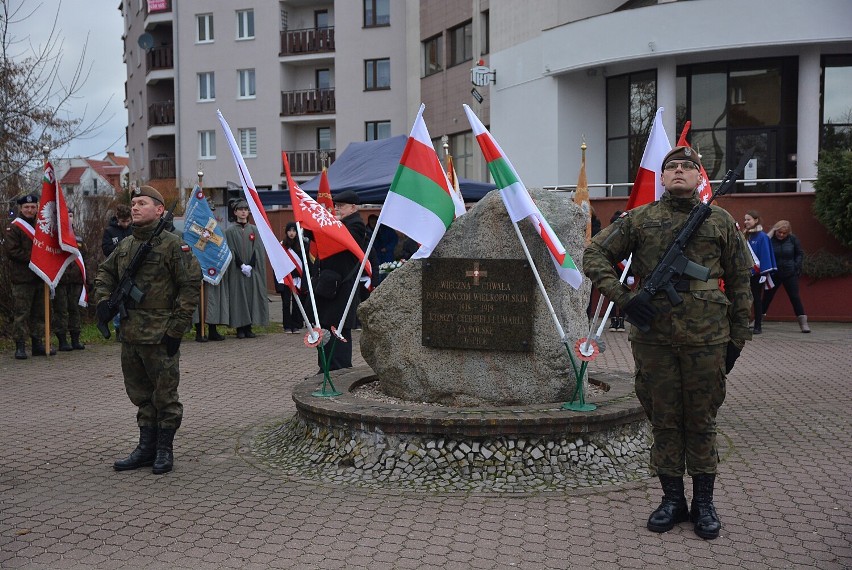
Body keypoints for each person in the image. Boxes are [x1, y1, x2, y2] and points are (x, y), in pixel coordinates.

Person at [583, 147, 753, 540]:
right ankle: (672, 500)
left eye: (687, 167)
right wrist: (624, 300)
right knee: (663, 418)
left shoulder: (722, 221)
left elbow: (741, 281)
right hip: (654, 338)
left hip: (707, 337)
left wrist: (739, 337)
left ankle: (704, 503)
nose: (679, 172)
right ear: (662, 178)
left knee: (701, 418)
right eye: (672, 167)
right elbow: (594, 254)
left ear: (698, 177)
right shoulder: (639, 220)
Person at [95, 186, 201, 475]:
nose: (135, 207)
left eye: (142, 203)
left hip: (160, 334)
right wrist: (103, 301)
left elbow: (190, 286)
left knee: (165, 395)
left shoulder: (172, 245)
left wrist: (176, 330)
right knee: (140, 394)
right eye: (133, 203)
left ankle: (164, 450)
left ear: (158, 210)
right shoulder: (126, 246)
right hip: (130, 334)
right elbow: (105, 272)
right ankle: (145, 448)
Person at [315, 190, 367, 371]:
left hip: (342, 287)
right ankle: (325, 368)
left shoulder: (356, 225)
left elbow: (340, 242)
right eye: (336, 206)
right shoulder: (341, 224)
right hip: (331, 285)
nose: (337, 209)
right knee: (326, 327)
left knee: (339, 328)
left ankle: (339, 369)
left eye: (341, 206)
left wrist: (326, 224)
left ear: (353, 207)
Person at [5, 194, 55, 359]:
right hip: (22, 278)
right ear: (21, 208)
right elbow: (12, 251)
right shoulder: (14, 227)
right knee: (21, 313)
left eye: (33, 207)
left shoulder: (42, 227)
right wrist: (35, 258)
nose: (30, 210)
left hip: (40, 277)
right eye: (26, 207)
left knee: (39, 313)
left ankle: (37, 343)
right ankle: (20, 346)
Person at [224, 200, 269, 338]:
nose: (243, 212)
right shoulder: (229, 231)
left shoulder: (254, 229)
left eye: (246, 209)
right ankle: (240, 328)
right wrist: (241, 265)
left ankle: (249, 327)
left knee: (251, 297)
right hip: (237, 271)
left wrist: (250, 265)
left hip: (251, 271)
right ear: (235, 212)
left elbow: (258, 249)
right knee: (238, 298)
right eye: (240, 209)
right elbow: (230, 249)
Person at [763, 220, 810, 333]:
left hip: (790, 273)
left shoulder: (793, 239)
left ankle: (803, 322)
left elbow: (799, 253)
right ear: (775, 230)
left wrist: (795, 265)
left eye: (784, 233)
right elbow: (763, 247)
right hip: (775, 273)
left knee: (794, 297)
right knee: (767, 297)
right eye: (779, 232)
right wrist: (771, 233)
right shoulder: (770, 240)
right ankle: (758, 320)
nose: (781, 235)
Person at [54, 209, 87, 351]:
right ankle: (62, 340)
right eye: (66, 216)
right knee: (61, 310)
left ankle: (75, 339)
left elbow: (86, 257)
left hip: (76, 280)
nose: (69, 218)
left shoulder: (78, 238)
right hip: (61, 280)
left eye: (71, 216)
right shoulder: (55, 237)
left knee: (74, 309)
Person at [742, 210, 777, 334]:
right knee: (745, 299)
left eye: (748, 219)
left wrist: (763, 273)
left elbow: (765, 255)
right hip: (746, 273)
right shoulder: (745, 235)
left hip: (757, 274)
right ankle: (743, 323)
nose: (746, 222)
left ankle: (757, 325)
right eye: (745, 219)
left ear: (756, 220)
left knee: (756, 299)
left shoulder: (762, 237)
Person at [101, 204, 133, 339]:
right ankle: (118, 328)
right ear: (117, 219)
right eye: (123, 221)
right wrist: (120, 249)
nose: (125, 224)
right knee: (118, 300)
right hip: (116, 270)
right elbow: (106, 249)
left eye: (128, 221)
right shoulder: (110, 231)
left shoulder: (134, 229)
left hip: (132, 269)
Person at [276, 221, 309, 333]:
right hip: (286, 278)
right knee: (286, 303)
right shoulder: (282, 245)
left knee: (297, 303)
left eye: (294, 230)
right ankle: (287, 325)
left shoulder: (301, 246)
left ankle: (296, 324)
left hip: (297, 279)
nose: (291, 233)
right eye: (289, 230)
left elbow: (305, 264)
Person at [606, 210, 631, 332]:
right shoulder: (607, 236)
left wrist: (630, 273)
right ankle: (615, 320)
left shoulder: (628, 236)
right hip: (613, 269)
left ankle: (619, 320)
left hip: (623, 269)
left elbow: (630, 255)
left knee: (620, 295)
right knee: (613, 295)